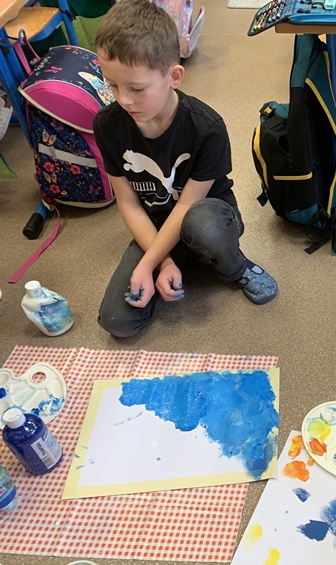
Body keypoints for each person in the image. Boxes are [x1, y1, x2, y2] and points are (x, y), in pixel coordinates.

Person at [93, 0, 277, 338]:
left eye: (136, 88)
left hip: (205, 215)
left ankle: (236, 267)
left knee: (203, 226)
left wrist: (147, 263)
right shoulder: (107, 125)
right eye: (112, 85)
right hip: (156, 225)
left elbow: (188, 204)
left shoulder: (206, 127)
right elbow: (129, 204)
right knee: (117, 322)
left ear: (173, 76)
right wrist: (160, 262)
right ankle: (180, 260)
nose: (123, 99)